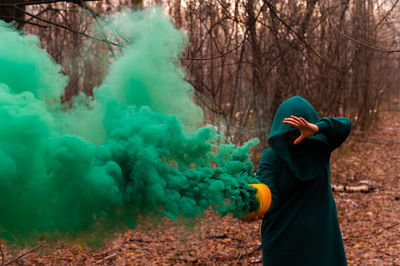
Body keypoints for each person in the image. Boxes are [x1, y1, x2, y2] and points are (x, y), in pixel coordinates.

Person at [246, 96, 351, 265]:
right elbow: (268, 194)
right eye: (290, 130)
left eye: (299, 129)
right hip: (283, 244)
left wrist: (317, 128)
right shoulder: (272, 157)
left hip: (320, 242)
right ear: (280, 130)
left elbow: (345, 125)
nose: (295, 136)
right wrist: (254, 204)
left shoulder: (320, 149)